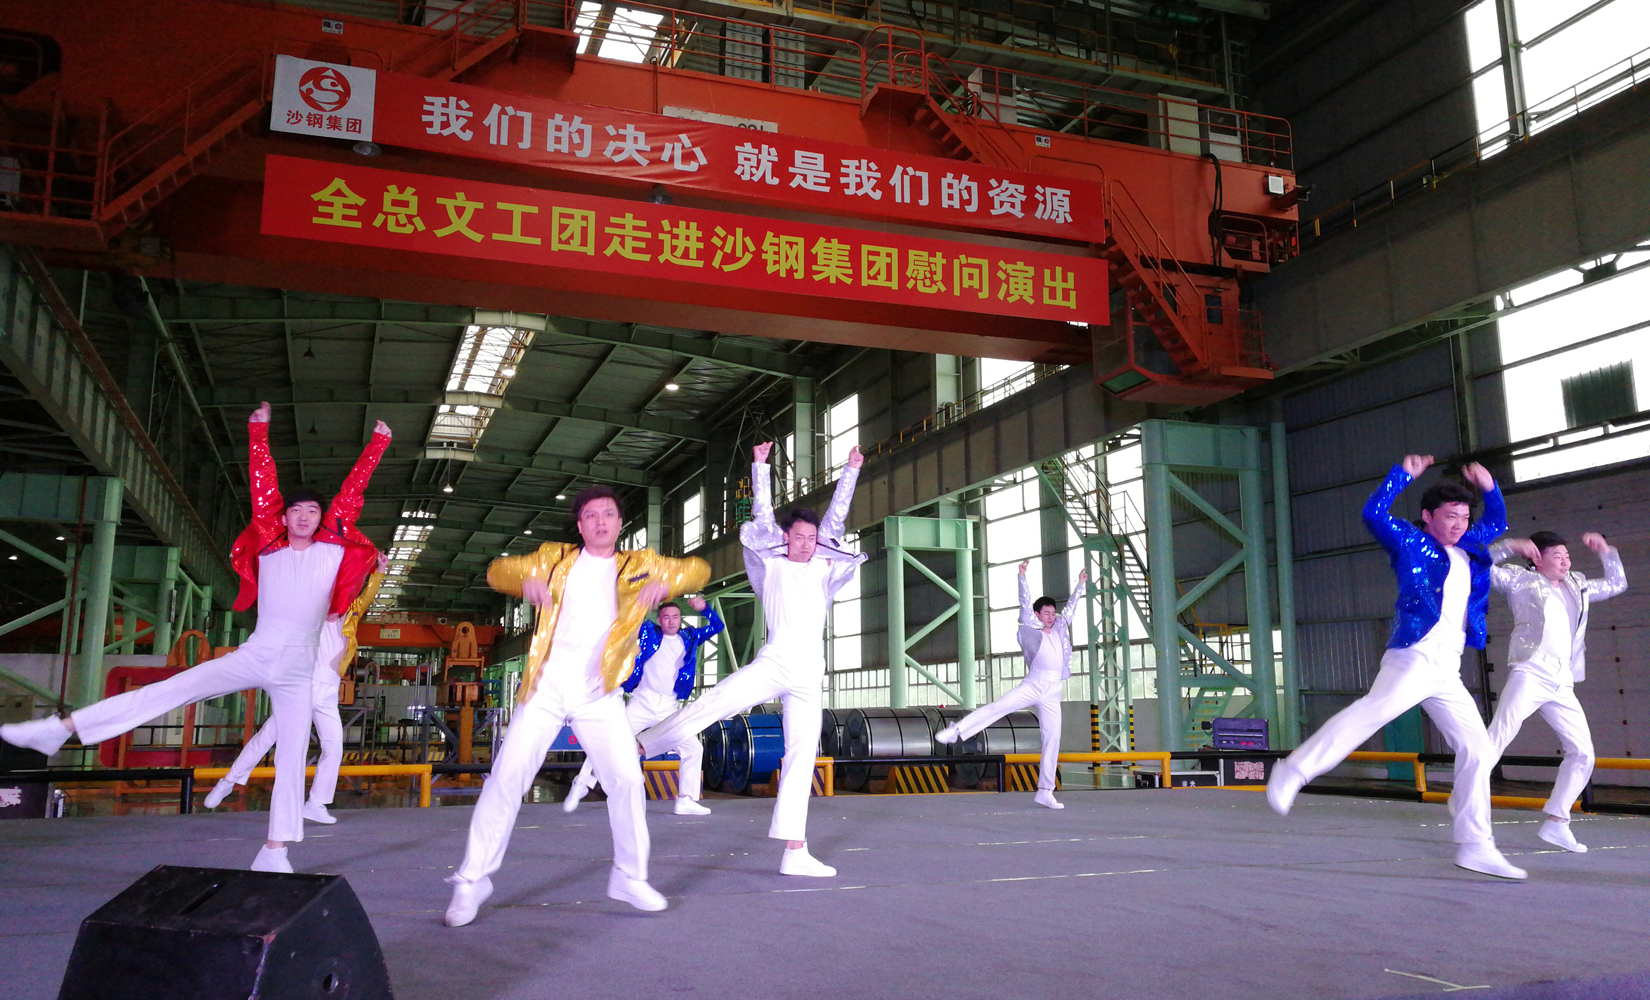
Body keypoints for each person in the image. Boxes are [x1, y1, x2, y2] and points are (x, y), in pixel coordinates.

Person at [1, 403, 389, 873]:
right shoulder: (270, 543)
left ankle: (274, 852)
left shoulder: (332, 547)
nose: (304, 516)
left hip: (299, 669)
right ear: (283, 518)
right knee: (167, 690)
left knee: (291, 758)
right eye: (295, 510)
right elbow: (263, 486)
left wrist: (378, 444)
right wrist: (258, 433)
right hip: (258, 652)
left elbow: (353, 492)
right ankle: (57, 730)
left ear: (323, 518)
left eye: (313, 511)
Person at [444, 485, 709, 927]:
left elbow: (699, 568)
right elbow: (496, 570)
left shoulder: (640, 565)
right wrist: (523, 581)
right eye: (590, 515)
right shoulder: (554, 558)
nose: (600, 521)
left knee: (627, 780)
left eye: (608, 514)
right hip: (545, 688)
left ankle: (629, 877)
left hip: (599, 694)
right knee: (507, 778)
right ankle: (472, 880)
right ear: (580, 525)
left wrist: (668, 582)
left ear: (619, 523)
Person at [1265, 455, 1527, 880]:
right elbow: (1374, 513)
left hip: (1448, 666)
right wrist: (1401, 476)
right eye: (1450, 516)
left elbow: (1496, 520)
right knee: (1374, 711)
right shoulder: (1410, 541)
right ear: (1427, 516)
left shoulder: (1471, 546)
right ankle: (1294, 769)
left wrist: (1489, 487)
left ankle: (1475, 846)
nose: (1459, 524)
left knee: (1478, 750)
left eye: (1464, 517)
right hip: (1415, 654)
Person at [636, 441, 865, 878]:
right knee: (715, 703)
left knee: (802, 755)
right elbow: (762, 517)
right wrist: (760, 466)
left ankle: (795, 851)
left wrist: (852, 469)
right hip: (775, 661)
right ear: (786, 537)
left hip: (809, 672)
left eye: (811, 538)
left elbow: (837, 515)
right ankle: (643, 746)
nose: (806, 544)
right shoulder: (771, 564)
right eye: (798, 537)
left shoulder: (823, 566)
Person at [203, 560, 388, 822]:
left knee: (334, 747)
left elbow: (366, 596)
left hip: (329, 690)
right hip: (305, 686)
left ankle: (316, 803)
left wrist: (379, 571)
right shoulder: (309, 614)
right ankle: (228, 781)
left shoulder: (350, 614)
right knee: (268, 736)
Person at [1485, 530, 1626, 853]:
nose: (1565, 562)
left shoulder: (1578, 584)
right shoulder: (1520, 580)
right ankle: (1467, 796)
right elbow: (1479, 565)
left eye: (1567, 556)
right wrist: (1509, 546)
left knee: (1583, 752)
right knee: (1499, 735)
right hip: (1531, 669)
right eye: (1557, 556)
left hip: (1562, 678)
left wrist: (1606, 551)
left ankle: (1557, 822)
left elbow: (1616, 583)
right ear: (1537, 558)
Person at [936, 560, 1086, 809]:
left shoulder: (1060, 626)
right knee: (999, 707)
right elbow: (1024, 604)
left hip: (1053, 690)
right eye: (1046, 614)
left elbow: (1071, 609)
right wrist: (1021, 577)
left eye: (1052, 613)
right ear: (1037, 615)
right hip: (1034, 684)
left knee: (1052, 738)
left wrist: (1080, 585)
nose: (1051, 617)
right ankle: (957, 731)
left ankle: (1045, 791)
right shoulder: (1030, 628)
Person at [565, 596, 726, 815]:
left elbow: (717, 626)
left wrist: (705, 608)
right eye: (666, 617)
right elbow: (627, 617)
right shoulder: (649, 632)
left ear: (680, 619)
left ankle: (685, 799)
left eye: (675, 617)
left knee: (694, 748)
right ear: (659, 620)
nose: (671, 621)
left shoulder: (690, 637)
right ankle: (582, 783)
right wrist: (640, 601)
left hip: (669, 706)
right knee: (610, 740)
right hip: (642, 702)